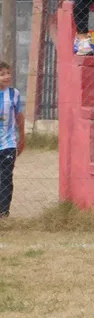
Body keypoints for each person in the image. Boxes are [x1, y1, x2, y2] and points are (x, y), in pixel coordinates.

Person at [0, 62, 25, 218]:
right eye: (2, 74)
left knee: (5, 179)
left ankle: (3, 213)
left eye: (8, 73)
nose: (7, 76)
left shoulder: (13, 94)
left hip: (7, 144)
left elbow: (19, 116)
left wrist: (22, 136)